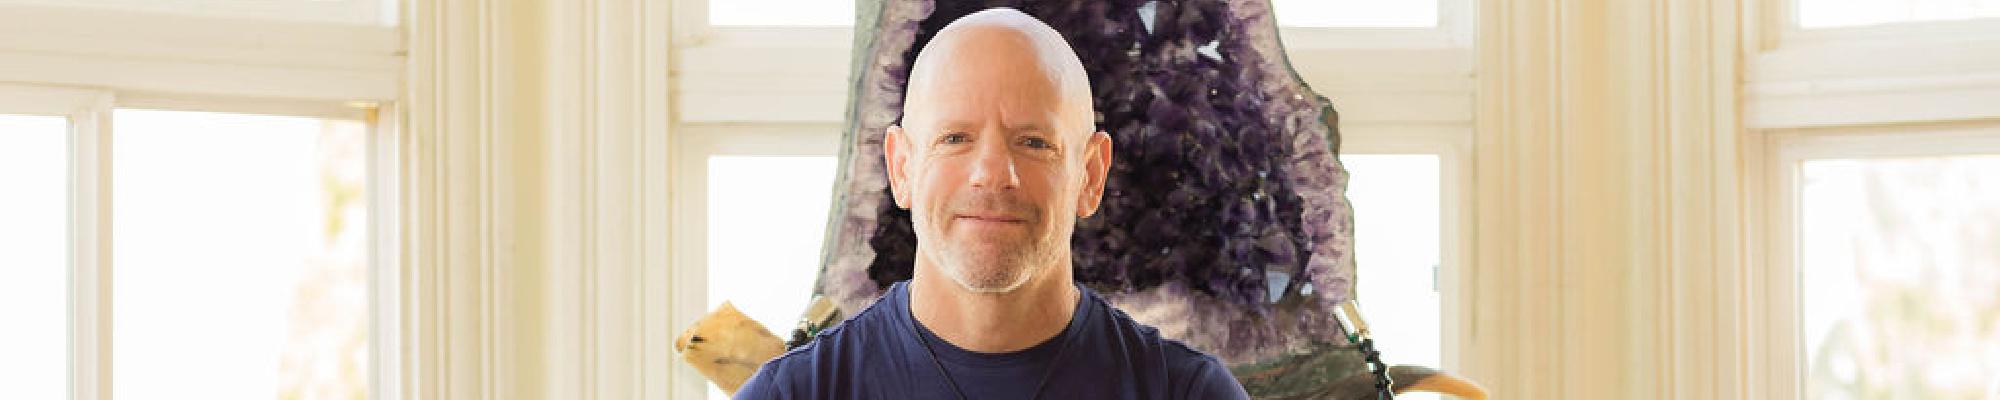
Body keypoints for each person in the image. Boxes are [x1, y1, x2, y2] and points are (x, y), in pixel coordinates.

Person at [733, 7, 1250, 400]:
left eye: (1034, 142)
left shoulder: (1188, 392)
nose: (992, 174)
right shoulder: (795, 394)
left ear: (1090, 175)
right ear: (901, 167)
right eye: (955, 138)